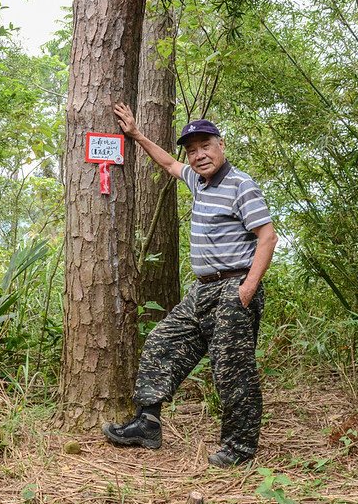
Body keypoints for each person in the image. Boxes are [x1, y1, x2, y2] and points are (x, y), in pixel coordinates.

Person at [102, 102, 277, 468]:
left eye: (205, 146)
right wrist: (135, 135)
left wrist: (246, 290)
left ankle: (239, 448)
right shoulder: (199, 181)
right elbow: (167, 163)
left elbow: (267, 237)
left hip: (233, 289)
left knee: (232, 369)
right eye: (192, 150)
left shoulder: (240, 184)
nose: (198, 156)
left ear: (221, 145)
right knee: (162, 341)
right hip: (202, 290)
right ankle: (146, 424)